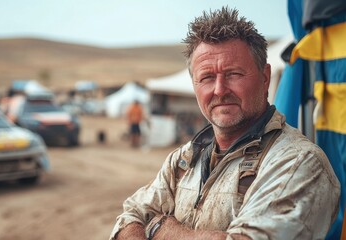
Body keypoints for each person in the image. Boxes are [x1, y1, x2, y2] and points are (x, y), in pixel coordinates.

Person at [110, 7, 340, 240]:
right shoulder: (184, 160)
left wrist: (162, 228)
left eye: (234, 74)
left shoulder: (299, 162)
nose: (220, 90)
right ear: (195, 86)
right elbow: (130, 217)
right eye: (207, 78)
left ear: (265, 78)